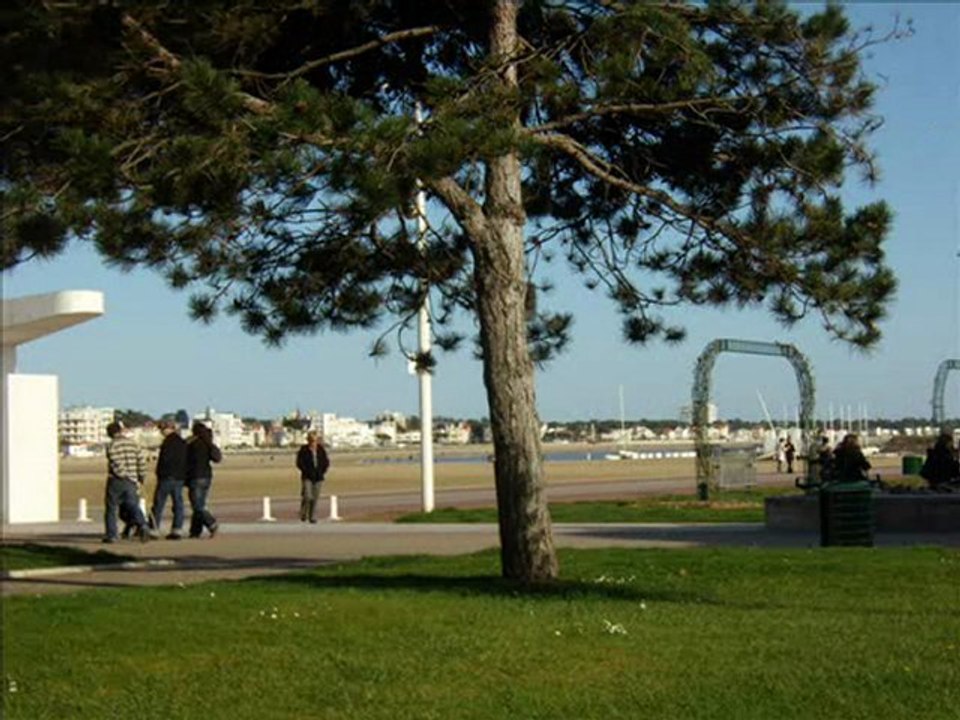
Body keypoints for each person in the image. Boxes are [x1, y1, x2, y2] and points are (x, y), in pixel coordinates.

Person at [102, 421, 151, 543]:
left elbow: (115, 461)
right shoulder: (133, 444)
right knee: (132, 505)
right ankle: (143, 524)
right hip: (133, 479)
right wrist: (141, 477)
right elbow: (141, 461)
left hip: (117, 479)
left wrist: (122, 473)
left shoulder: (112, 445)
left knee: (111, 508)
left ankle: (112, 535)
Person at [151, 420, 188, 539]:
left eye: (162, 429)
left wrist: (159, 473)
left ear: (168, 429)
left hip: (167, 477)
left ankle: (154, 528)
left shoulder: (167, 443)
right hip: (179, 477)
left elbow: (165, 461)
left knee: (159, 504)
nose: (161, 432)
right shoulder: (182, 442)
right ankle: (177, 528)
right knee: (178, 504)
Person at [186, 421, 222, 538]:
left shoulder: (192, 444)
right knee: (200, 504)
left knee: (197, 506)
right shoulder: (208, 443)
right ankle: (195, 531)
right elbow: (217, 458)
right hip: (207, 476)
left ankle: (211, 523)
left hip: (195, 477)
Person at [296, 430, 330, 523]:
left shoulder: (321, 449)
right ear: (308, 440)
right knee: (308, 496)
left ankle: (312, 517)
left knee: (315, 498)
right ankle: (303, 513)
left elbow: (326, 462)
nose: (313, 442)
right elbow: (299, 463)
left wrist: (323, 471)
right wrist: (306, 471)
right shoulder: (303, 450)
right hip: (307, 477)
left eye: (315, 440)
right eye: (311, 440)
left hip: (318, 477)